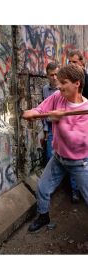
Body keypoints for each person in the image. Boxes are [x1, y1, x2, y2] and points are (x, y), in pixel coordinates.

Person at [23, 64, 88, 232]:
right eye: (58, 82)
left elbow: (77, 141)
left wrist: (59, 120)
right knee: (42, 187)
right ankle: (43, 216)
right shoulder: (58, 96)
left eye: (63, 82)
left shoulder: (85, 110)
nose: (58, 86)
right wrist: (33, 112)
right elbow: (41, 108)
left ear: (77, 83)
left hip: (79, 162)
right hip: (58, 157)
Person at [42, 62, 80, 203]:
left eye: (56, 75)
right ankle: (51, 189)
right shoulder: (46, 90)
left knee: (72, 161)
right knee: (51, 158)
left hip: (69, 130)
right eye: (51, 75)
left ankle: (75, 190)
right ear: (47, 75)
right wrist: (46, 130)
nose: (54, 78)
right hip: (53, 129)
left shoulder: (67, 91)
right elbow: (44, 110)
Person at [67, 49, 88, 202]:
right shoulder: (69, 81)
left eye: (74, 62)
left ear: (82, 62)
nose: (72, 65)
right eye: (70, 62)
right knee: (74, 157)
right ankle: (75, 191)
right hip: (73, 127)